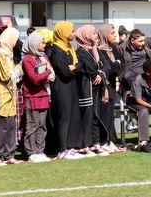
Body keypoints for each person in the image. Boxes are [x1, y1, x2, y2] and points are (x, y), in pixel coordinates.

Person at [48, 21, 85, 160]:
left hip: (71, 86)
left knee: (72, 116)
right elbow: (65, 72)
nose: (74, 34)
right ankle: (62, 148)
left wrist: (74, 67)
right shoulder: (56, 50)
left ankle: (70, 146)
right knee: (63, 117)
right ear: (63, 32)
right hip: (61, 87)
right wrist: (74, 68)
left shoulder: (69, 47)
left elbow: (80, 66)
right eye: (72, 31)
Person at [0, 27, 22, 165]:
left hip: (10, 94)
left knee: (10, 125)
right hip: (1, 94)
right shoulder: (1, 54)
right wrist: (18, 70)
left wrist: (17, 71)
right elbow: (7, 75)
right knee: (1, 126)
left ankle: (9, 154)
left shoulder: (9, 54)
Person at [74, 25, 109, 156]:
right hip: (86, 90)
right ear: (86, 36)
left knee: (95, 116)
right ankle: (86, 145)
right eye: (94, 33)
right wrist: (98, 68)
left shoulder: (94, 50)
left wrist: (100, 73)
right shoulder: (81, 52)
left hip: (96, 89)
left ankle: (96, 143)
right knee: (87, 117)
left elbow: (106, 65)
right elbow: (92, 67)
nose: (96, 36)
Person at [21, 32, 54, 162]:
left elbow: (50, 78)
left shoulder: (43, 57)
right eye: (42, 42)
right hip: (32, 96)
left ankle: (40, 150)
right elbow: (34, 79)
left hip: (43, 95)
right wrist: (47, 71)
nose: (44, 45)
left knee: (42, 125)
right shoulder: (27, 59)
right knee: (32, 124)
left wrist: (46, 74)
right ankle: (31, 152)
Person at [96, 24, 121, 152]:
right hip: (102, 88)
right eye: (111, 33)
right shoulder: (99, 50)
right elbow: (111, 67)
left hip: (111, 85)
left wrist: (115, 64)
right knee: (104, 113)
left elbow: (118, 67)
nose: (114, 36)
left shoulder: (113, 49)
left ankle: (111, 139)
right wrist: (115, 64)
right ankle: (103, 140)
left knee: (111, 113)